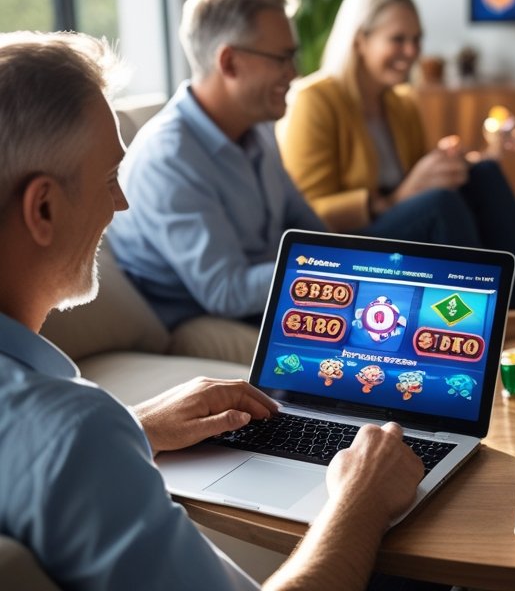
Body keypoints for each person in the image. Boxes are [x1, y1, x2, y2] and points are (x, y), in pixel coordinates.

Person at [0, 32, 423, 590]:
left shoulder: (58, 429)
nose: (121, 204)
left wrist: (133, 428)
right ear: (44, 207)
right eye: (109, 180)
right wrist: (361, 499)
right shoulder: (72, 431)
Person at [278, 0, 515, 308]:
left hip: (399, 217)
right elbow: (308, 215)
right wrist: (392, 199)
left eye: (416, 39)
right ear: (360, 40)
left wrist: (462, 162)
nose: (412, 52)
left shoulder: (401, 102)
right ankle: (479, 315)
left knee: (484, 173)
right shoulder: (314, 101)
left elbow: (418, 177)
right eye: (398, 39)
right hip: (346, 244)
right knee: (439, 205)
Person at [107, 0, 324, 338]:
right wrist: (324, 270)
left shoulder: (257, 129)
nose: (295, 72)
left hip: (267, 295)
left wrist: (348, 265)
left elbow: (307, 227)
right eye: (282, 58)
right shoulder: (169, 158)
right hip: (206, 316)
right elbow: (227, 291)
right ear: (230, 62)